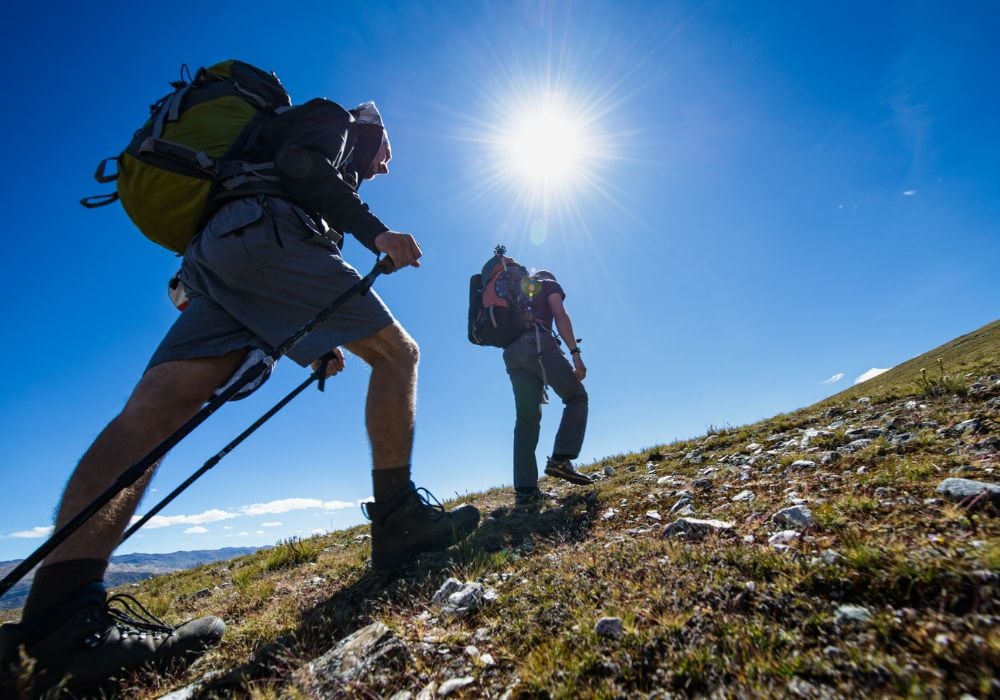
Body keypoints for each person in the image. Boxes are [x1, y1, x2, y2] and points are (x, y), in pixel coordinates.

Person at [0, 89, 479, 695]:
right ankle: (400, 521)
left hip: (220, 250)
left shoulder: (267, 144)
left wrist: (319, 339)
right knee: (398, 355)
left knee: (153, 412)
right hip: (267, 231)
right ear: (372, 128)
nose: (384, 166)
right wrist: (376, 232)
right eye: (388, 153)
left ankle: (57, 621)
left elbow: (288, 203)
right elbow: (302, 169)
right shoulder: (334, 119)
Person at [503, 265, 591, 509]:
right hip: (537, 342)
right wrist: (575, 354)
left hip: (511, 354)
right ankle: (561, 459)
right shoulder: (548, 283)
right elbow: (560, 315)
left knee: (526, 419)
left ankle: (525, 491)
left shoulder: (517, 293)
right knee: (576, 397)